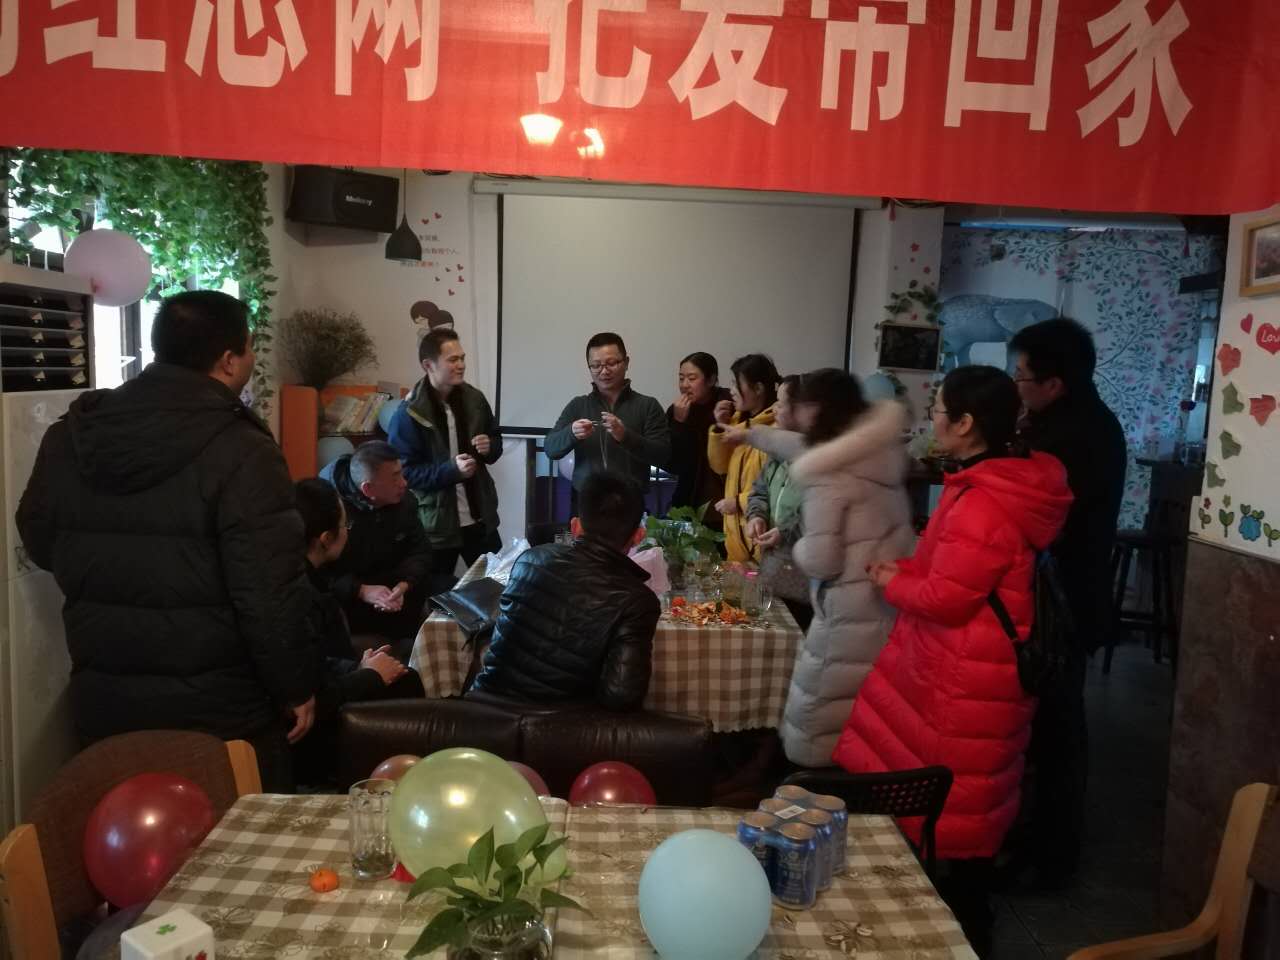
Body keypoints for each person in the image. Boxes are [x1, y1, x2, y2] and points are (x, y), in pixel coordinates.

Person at [16, 290, 315, 792]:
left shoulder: (75, 433)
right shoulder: (243, 448)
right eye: (250, 347)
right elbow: (270, 591)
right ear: (228, 360)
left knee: (121, 831)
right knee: (233, 834)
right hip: (220, 707)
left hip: (106, 696)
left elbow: (40, 538)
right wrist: (295, 685)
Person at [832, 366, 1072, 950]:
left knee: (961, 807)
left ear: (965, 424)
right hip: (966, 668)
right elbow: (953, 574)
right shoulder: (990, 484)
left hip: (969, 679)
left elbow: (948, 597)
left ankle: (961, 934)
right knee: (960, 801)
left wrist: (892, 582)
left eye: (939, 409)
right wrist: (904, 570)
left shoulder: (982, 501)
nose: (931, 419)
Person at [1008, 317, 1128, 888]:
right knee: (1050, 728)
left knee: (1055, 732)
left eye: (1022, 377)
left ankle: (1052, 858)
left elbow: (1036, 521)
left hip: (1063, 602)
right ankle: (1041, 844)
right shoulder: (1079, 422)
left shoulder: (1068, 438)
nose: (1016, 386)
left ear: (1054, 384)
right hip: (1068, 595)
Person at [746, 369, 913, 767]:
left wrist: (798, 547)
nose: (790, 412)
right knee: (864, 708)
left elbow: (822, 559)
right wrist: (748, 435)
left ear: (816, 409)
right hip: (882, 599)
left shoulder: (826, 473)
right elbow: (795, 444)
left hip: (844, 606)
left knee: (817, 715)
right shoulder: (875, 452)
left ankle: (809, 790)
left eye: (795, 404)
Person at [470, 471, 659, 710]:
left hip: (482, 710)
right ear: (639, 536)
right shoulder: (637, 601)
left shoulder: (530, 559)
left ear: (575, 526)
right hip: (558, 726)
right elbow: (622, 698)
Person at [292, 478, 424, 783]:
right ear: (326, 538)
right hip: (315, 728)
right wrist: (368, 676)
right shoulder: (299, 595)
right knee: (408, 681)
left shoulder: (304, 576)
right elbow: (311, 693)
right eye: (344, 524)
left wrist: (360, 667)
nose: (348, 530)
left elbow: (319, 662)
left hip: (337, 678)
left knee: (404, 668)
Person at [387, 328, 502, 596]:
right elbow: (405, 473)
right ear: (428, 365)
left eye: (462, 358)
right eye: (452, 360)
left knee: (500, 588)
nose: (461, 365)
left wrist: (490, 446)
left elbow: (496, 442)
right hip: (437, 526)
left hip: (480, 518)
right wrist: (451, 471)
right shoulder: (409, 413)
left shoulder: (475, 399)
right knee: (436, 598)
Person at [319, 441, 432, 649]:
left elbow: (420, 550)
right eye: (395, 477)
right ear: (368, 488)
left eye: (401, 472)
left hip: (396, 596)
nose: (404, 483)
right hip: (347, 605)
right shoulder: (328, 509)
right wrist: (360, 590)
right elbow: (316, 572)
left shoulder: (404, 501)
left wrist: (405, 584)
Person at [545, 333, 671, 493]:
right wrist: (571, 433)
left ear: (626, 363)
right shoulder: (578, 405)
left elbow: (662, 456)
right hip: (585, 499)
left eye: (611, 363)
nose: (604, 371)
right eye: (596, 365)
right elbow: (551, 449)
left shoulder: (647, 405)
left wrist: (625, 436)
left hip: (630, 498)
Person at [742, 375, 812, 629]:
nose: (774, 409)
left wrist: (784, 532)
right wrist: (756, 516)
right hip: (774, 568)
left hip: (805, 577)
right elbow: (759, 491)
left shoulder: (821, 459)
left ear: (802, 411)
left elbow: (816, 512)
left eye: (781, 404)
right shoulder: (778, 452)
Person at [709, 354, 781, 562]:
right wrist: (720, 427)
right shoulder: (739, 422)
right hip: (737, 541)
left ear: (758, 388)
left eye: (736, 383)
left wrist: (739, 502)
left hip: (761, 538)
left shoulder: (775, 431)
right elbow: (719, 466)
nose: (731, 390)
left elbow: (777, 488)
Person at [666, 351, 732, 522]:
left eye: (692, 378)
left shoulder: (728, 403)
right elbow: (673, 464)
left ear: (711, 380)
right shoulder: (675, 411)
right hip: (688, 495)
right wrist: (679, 423)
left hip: (724, 495)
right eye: (681, 378)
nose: (684, 385)